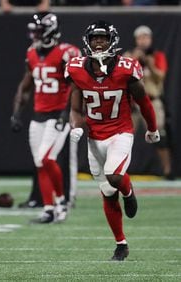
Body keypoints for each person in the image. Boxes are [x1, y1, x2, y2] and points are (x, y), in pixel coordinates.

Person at [66, 20, 160, 261]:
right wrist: (75, 125)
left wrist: (152, 128)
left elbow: (144, 101)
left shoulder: (126, 68)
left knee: (114, 176)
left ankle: (128, 193)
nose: (99, 42)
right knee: (107, 192)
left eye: (103, 38)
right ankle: (121, 244)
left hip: (121, 131)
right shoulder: (76, 68)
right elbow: (75, 108)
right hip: (94, 137)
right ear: (87, 41)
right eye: (95, 38)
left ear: (112, 41)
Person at [10, 12, 81, 223]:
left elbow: (76, 86)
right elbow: (24, 86)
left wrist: (67, 113)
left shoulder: (67, 52)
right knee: (40, 162)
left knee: (46, 158)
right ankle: (49, 208)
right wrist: (16, 112)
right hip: (38, 115)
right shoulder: (32, 53)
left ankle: (61, 203)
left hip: (57, 114)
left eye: (39, 31)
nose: (35, 35)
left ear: (50, 31)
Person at [124, 25, 172, 180]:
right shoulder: (129, 56)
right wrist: (135, 60)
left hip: (152, 100)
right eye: (140, 38)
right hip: (132, 102)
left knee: (159, 135)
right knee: (124, 136)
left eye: (146, 37)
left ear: (150, 39)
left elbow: (161, 77)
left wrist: (149, 63)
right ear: (136, 40)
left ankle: (167, 170)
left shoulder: (157, 56)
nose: (143, 41)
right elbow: (122, 76)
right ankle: (120, 168)